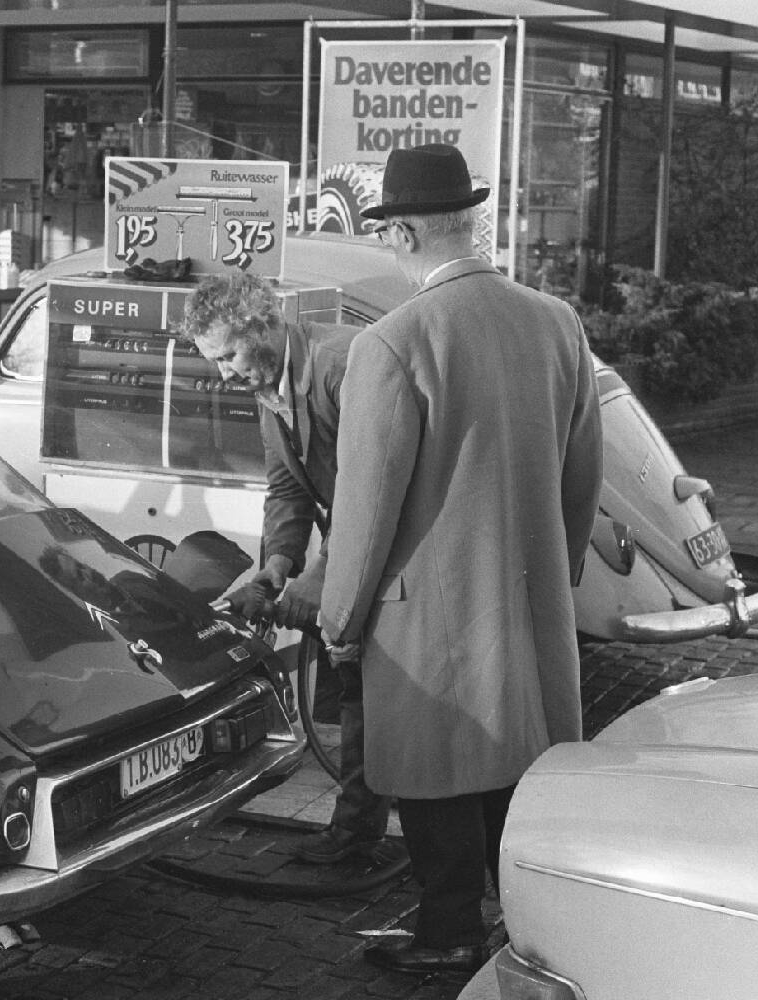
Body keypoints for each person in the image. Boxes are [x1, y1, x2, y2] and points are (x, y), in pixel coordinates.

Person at [317, 144, 603, 973]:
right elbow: (582, 477)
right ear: (467, 222)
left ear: (403, 232)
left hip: (426, 621)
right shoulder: (556, 322)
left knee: (437, 776)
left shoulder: (392, 344)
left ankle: (448, 934)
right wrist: (555, 571)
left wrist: (339, 619)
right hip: (529, 600)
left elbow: (365, 511)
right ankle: (524, 934)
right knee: (517, 772)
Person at [179, 271, 392, 864]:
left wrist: (315, 586)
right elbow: (287, 490)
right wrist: (274, 567)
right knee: (358, 693)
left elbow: (368, 492)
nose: (222, 373)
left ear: (264, 326)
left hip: (394, 553)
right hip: (356, 550)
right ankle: (357, 835)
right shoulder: (268, 383)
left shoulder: (340, 365)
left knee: (376, 696)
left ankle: (380, 843)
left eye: (227, 355)